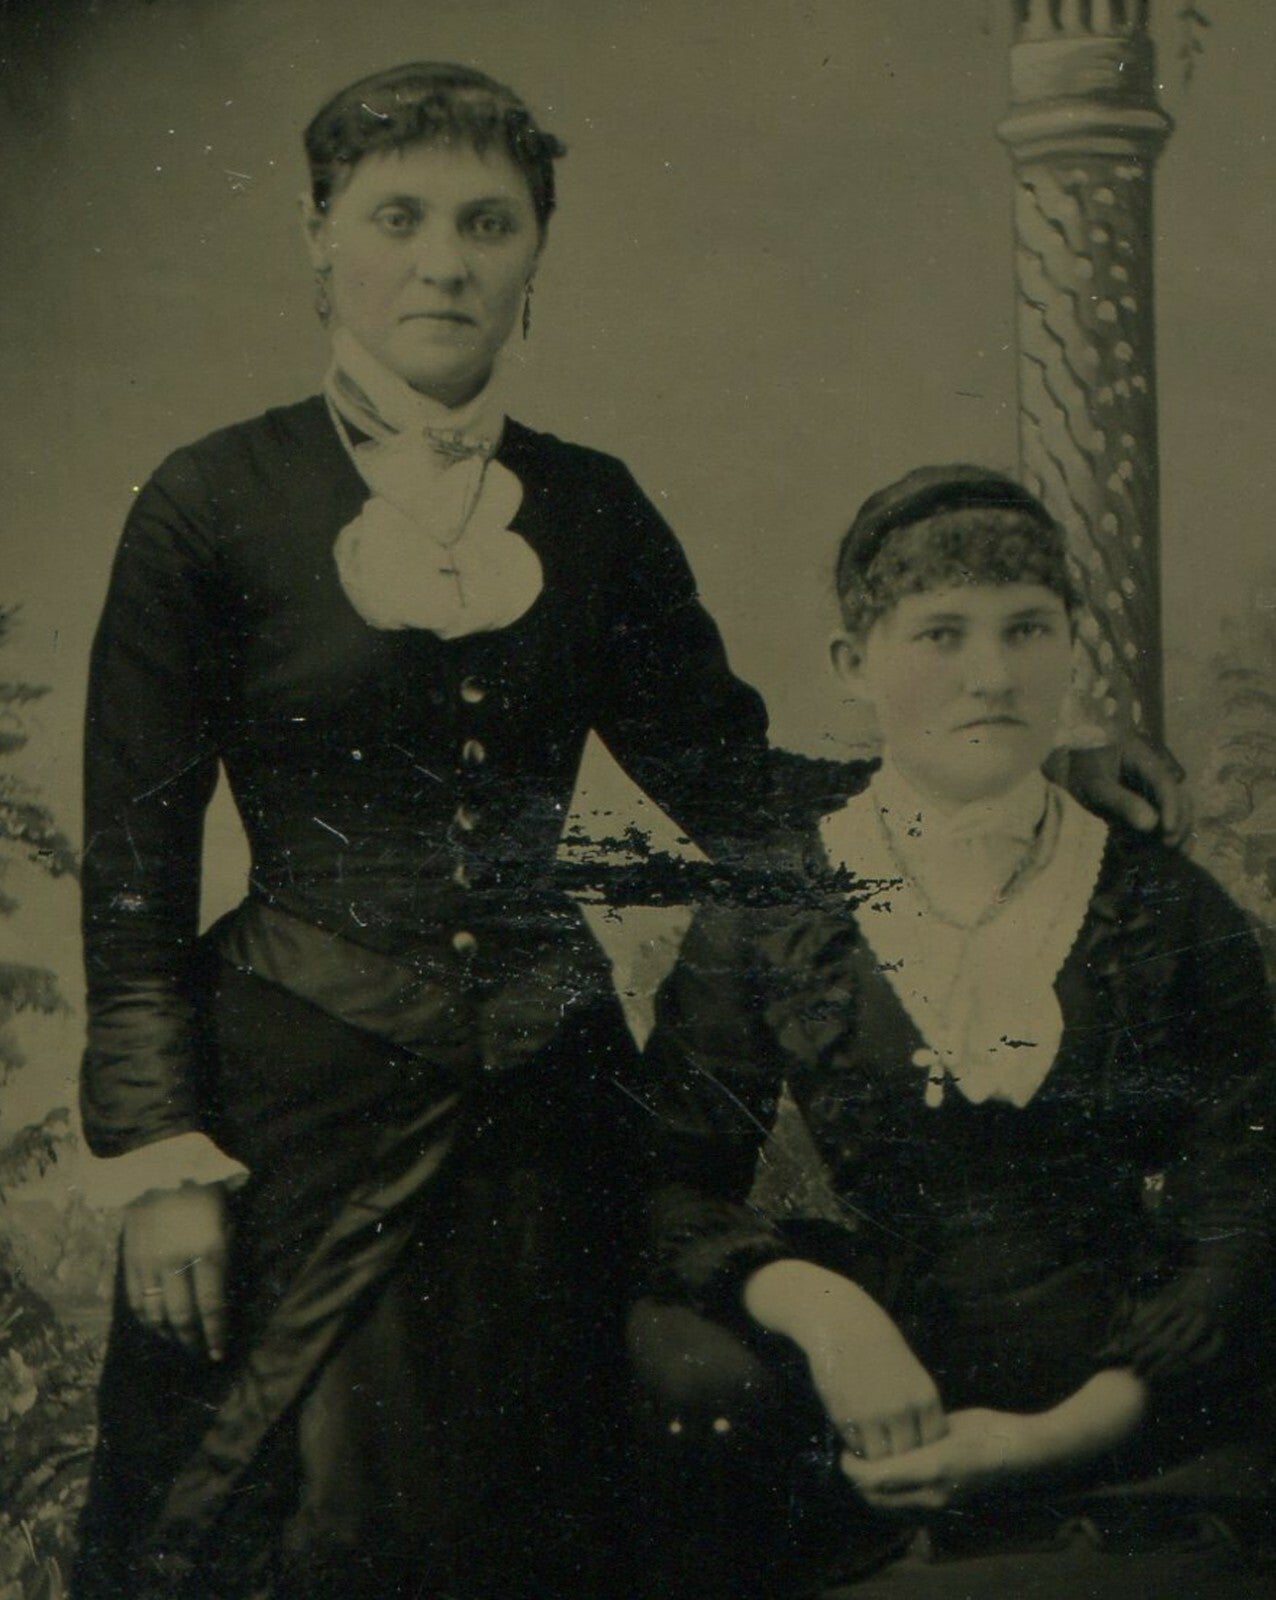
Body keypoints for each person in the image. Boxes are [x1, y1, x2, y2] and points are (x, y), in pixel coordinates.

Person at [75, 59, 1182, 1599]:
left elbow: (732, 788)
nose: (445, 259)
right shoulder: (210, 503)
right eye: (399, 217)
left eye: (489, 220)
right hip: (293, 1113)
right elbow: (133, 870)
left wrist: (1009, 762)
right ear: (322, 238)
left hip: (547, 1115)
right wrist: (159, 1156)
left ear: (535, 250)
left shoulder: (592, 510)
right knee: (317, 1519)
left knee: (583, 1492)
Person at [634, 467, 1276, 1598]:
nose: (991, 675)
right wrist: (828, 1317)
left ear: (1069, 648)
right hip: (871, 1438)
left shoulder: (1167, 907)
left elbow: (1244, 1220)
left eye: (1027, 630)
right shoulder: (771, 906)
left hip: (1143, 1442)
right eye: (941, 634)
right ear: (853, 666)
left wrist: (1046, 1441)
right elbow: (662, 1187)